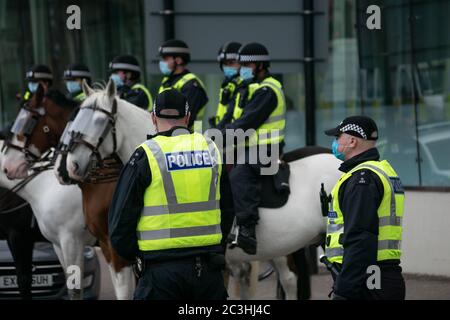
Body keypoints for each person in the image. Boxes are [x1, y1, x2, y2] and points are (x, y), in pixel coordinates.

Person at [108, 89, 234, 300]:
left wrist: (135, 256)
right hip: (207, 272)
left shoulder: (146, 154)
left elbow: (120, 220)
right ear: (187, 117)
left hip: (160, 274)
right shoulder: (210, 149)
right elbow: (228, 209)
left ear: (153, 118)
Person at [323, 115, 405, 300]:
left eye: (338, 137)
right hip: (378, 276)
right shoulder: (381, 171)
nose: (335, 142)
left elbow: (360, 238)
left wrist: (344, 291)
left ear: (352, 141)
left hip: (367, 280)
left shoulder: (362, 179)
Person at [224, 43, 286, 255]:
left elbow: (246, 123)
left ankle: (247, 229)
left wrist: (219, 138)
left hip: (267, 148)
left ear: (260, 65)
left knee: (240, 172)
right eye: (241, 64)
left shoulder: (268, 90)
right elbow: (231, 120)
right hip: (247, 146)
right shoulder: (246, 88)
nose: (242, 68)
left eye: (247, 64)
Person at [158, 39, 208, 128]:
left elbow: (187, 119)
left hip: (189, 138)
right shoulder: (167, 81)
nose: (162, 63)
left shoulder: (192, 85)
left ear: (178, 60)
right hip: (166, 136)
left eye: (165, 59)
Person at [209, 42, 242, 128]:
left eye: (231, 63)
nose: (227, 67)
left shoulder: (243, 86)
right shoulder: (227, 85)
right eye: (225, 64)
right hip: (225, 135)